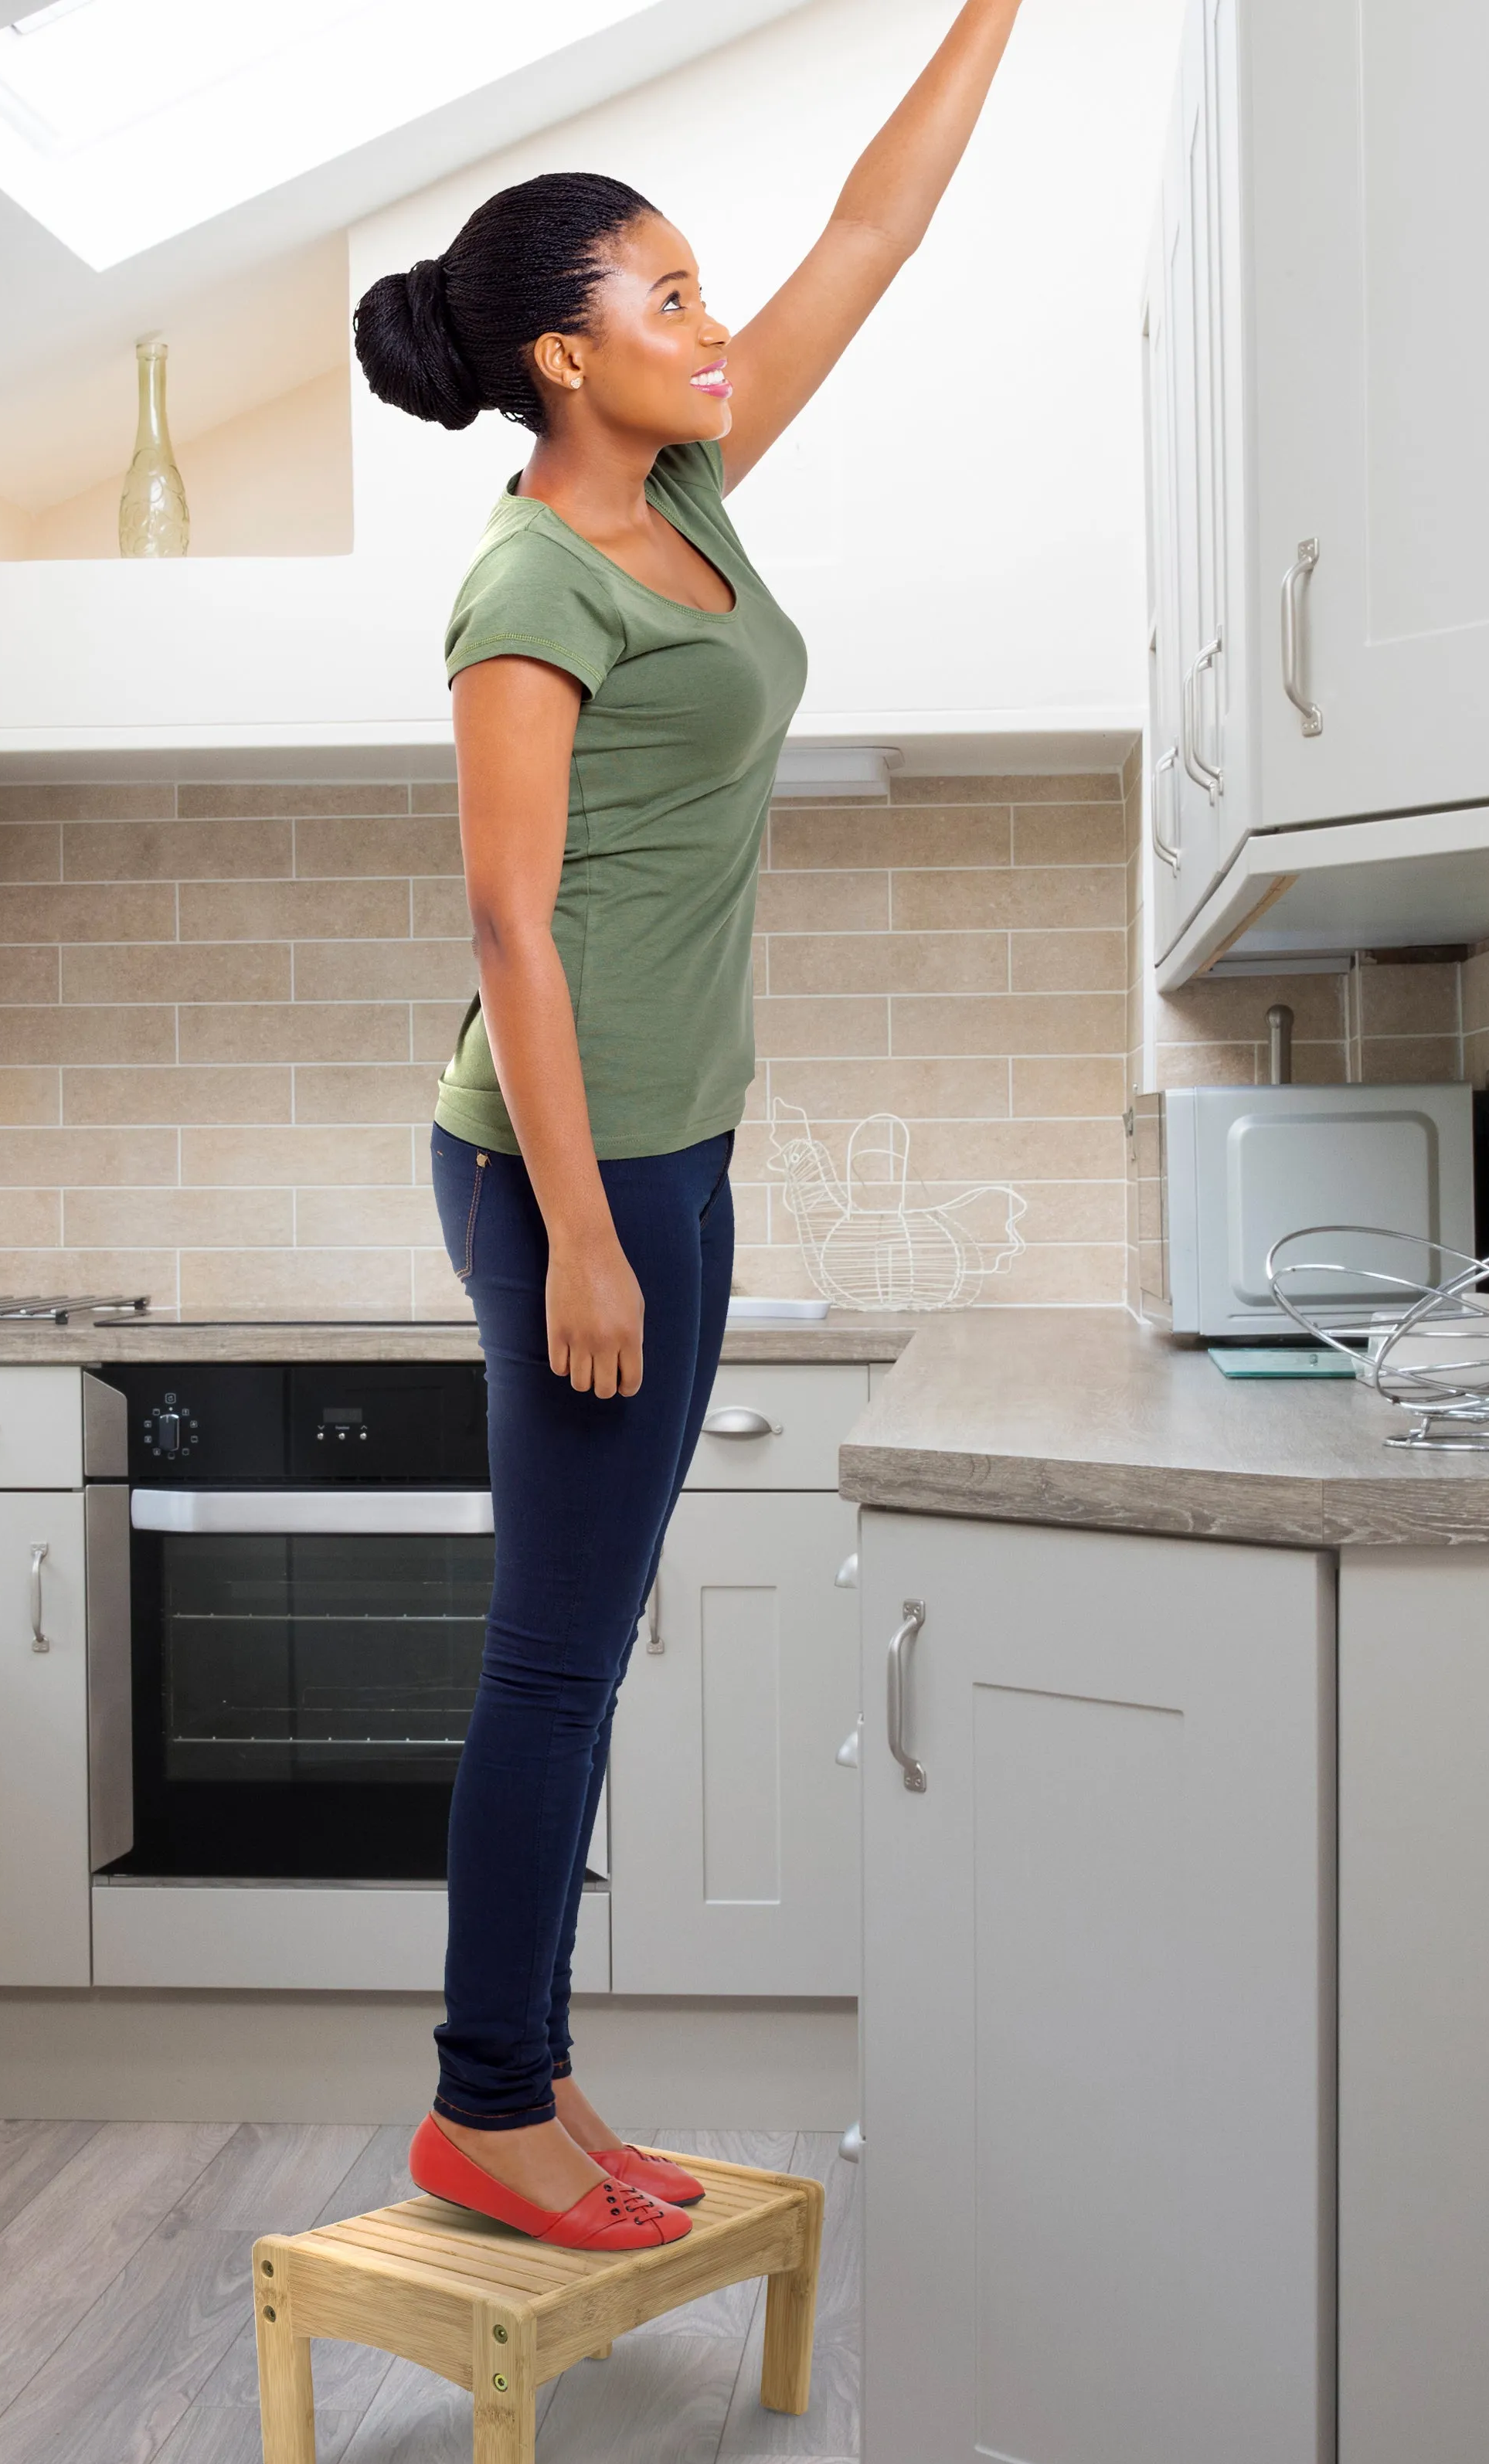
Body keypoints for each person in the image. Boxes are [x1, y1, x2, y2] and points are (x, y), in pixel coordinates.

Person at [353, 0, 1024, 2252]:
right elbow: (510, 930)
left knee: (592, 1618)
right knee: (556, 1642)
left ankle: (533, 2079)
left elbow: (875, 226)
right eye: (662, 298)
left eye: (697, 290)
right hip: (569, 1165)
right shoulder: (523, 585)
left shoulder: (691, 501)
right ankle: (482, 2106)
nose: (711, 324)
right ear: (561, 357)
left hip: (667, 1146)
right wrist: (589, 1241)